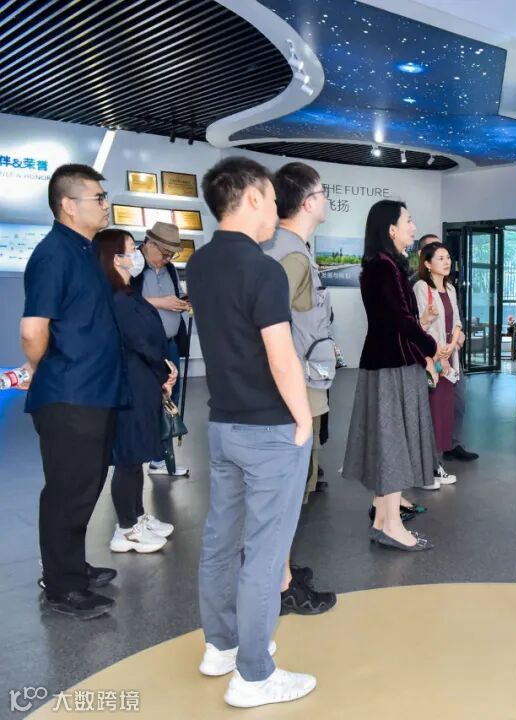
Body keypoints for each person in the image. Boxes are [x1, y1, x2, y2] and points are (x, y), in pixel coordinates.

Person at [187, 156, 316, 707]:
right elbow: (281, 357)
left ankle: (220, 646)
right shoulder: (263, 270)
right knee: (265, 552)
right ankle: (255, 674)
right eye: (270, 199)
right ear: (253, 197)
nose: (274, 212)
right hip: (268, 430)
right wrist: (304, 418)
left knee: (221, 540)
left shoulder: (199, 264)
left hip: (223, 423)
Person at [20, 164, 126, 619]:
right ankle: (62, 586)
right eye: (98, 198)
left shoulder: (83, 250)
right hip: (70, 395)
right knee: (68, 491)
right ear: (68, 205)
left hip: (94, 392)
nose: (106, 205)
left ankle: (72, 566)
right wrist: (46, 368)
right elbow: (32, 330)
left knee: (85, 486)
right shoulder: (54, 254)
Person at [342, 200, 438, 552]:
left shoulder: (381, 264)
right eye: (408, 221)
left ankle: (384, 519)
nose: (414, 227)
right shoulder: (385, 267)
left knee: (387, 444)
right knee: (395, 445)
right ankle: (393, 525)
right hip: (393, 367)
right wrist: (429, 346)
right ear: (391, 229)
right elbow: (400, 320)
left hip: (384, 362)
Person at [264, 161, 338, 616]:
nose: (327, 199)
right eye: (323, 192)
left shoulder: (291, 249)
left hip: (302, 378)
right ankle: (281, 583)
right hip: (294, 385)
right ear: (309, 202)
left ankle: (284, 570)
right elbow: (271, 329)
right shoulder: (289, 255)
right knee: (289, 486)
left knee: (296, 483)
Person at [94, 229, 177, 554]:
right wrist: (163, 369)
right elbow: (140, 341)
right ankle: (126, 528)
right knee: (129, 456)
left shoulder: (129, 293)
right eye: (131, 249)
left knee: (138, 455)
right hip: (131, 383)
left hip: (144, 381)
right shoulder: (116, 298)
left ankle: (138, 515)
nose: (136, 255)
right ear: (115, 258)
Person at [412, 232, 478, 462]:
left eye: (447, 257)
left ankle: (446, 450)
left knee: (453, 405)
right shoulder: (420, 286)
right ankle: (430, 461)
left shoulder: (450, 288)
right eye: (440, 257)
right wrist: (439, 353)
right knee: (433, 409)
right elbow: (423, 326)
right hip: (433, 357)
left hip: (451, 355)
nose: (446, 261)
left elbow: (457, 321)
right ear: (426, 261)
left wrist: (452, 344)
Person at [133, 221, 191, 477]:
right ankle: (136, 457)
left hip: (169, 344)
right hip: (143, 347)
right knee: (145, 399)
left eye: (171, 255)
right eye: (165, 253)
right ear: (149, 244)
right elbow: (121, 300)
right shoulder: (132, 265)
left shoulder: (170, 270)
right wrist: (160, 302)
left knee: (170, 400)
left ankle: (161, 457)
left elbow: (173, 297)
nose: (167, 258)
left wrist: (180, 302)